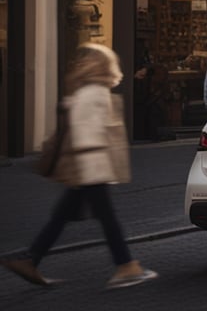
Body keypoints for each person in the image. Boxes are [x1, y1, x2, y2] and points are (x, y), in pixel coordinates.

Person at [3, 44, 157, 289]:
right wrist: (96, 163)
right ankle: (126, 266)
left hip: (86, 168)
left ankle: (30, 259)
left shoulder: (84, 91)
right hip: (91, 168)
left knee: (63, 217)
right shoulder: (95, 93)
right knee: (108, 219)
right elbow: (87, 134)